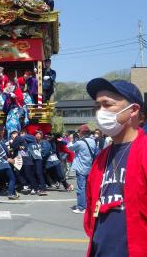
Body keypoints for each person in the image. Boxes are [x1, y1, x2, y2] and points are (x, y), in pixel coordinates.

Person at [84, 78, 147, 257]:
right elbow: (90, 214)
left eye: (107, 104)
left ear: (133, 110)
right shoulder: (101, 158)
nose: (100, 112)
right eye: (98, 106)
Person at [68, 124, 96, 214]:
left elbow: (70, 147)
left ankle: (81, 207)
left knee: (81, 188)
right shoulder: (93, 141)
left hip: (81, 168)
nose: (78, 133)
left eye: (79, 131)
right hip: (89, 167)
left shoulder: (80, 143)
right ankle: (87, 206)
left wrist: (71, 140)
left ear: (82, 132)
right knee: (88, 188)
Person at [27, 131, 48, 196]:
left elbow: (45, 151)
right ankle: (34, 188)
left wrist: (42, 155)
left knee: (39, 173)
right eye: (37, 134)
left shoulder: (43, 142)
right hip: (31, 159)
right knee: (31, 174)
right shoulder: (31, 140)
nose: (38, 135)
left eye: (40, 134)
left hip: (38, 159)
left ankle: (42, 188)